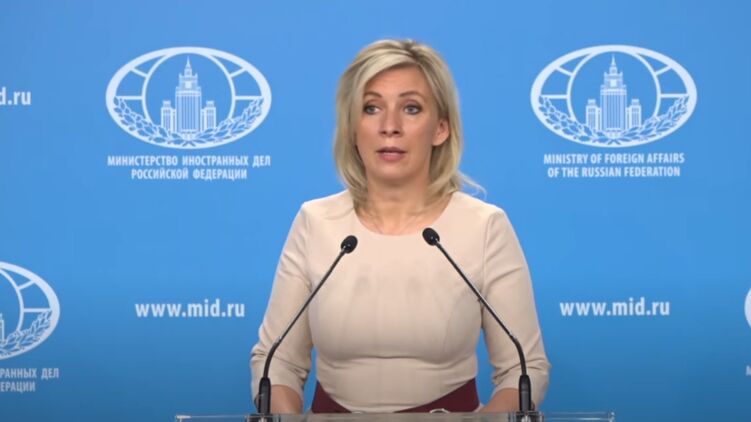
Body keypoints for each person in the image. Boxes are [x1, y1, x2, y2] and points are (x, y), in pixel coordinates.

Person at [251, 39, 550, 414]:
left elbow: (524, 370)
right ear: (352, 128)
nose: (389, 126)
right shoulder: (316, 222)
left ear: (440, 128)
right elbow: (277, 364)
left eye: (411, 108)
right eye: (371, 108)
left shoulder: (484, 226)